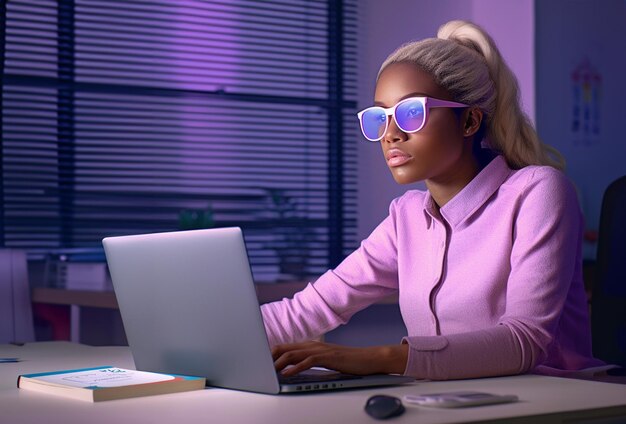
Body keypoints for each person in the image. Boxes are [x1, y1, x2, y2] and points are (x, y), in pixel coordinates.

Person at [261, 20, 605, 380]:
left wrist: (376, 358)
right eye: (381, 117)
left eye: (412, 113)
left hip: (559, 401)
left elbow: (524, 341)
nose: (391, 135)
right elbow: (311, 308)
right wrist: (210, 342)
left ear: (470, 121)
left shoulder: (538, 192)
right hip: (448, 402)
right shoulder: (405, 216)